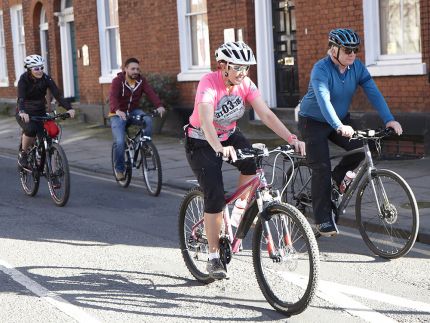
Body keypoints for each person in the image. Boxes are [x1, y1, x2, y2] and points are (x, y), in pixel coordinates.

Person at [184, 41, 306, 279]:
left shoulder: (246, 84)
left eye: (246, 68)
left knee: (253, 164)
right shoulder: (209, 83)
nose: (242, 73)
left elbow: (267, 115)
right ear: (223, 66)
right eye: (237, 67)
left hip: (229, 134)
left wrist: (292, 138)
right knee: (215, 195)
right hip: (201, 140)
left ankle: (239, 212)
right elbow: (206, 121)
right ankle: (213, 257)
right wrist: (219, 147)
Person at [298, 28, 403, 237]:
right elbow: (323, 100)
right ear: (334, 50)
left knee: (363, 148)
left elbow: (373, 92)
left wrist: (389, 119)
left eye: (356, 49)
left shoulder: (357, 67)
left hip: (340, 119)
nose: (353, 54)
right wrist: (338, 126)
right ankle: (322, 220)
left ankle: (336, 182)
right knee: (321, 166)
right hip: (313, 121)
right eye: (348, 50)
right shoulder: (321, 69)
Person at [109, 57, 165, 181]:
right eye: (132, 69)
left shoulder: (141, 81)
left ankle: (145, 146)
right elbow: (112, 97)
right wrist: (117, 110)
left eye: (137, 69)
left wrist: (159, 106)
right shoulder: (117, 81)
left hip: (133, 112)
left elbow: (151, 93)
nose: (135, 71)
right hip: (117, 114)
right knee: (119, 142)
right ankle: (119, 170)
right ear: (126, 69)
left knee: (148, 120)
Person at [17, 54, 75, 168]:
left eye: (41, 68)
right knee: (31, 129)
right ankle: (23, 154)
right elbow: (21, 98)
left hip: (40, 111)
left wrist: (69, 108)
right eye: (36, 68)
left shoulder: (46, 78)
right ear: (29, 69)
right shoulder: (23, 80)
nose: (40, 71)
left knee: (50, 135)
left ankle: (52, 172)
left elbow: (57, 95)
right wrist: (23, 111)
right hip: (25, 112)